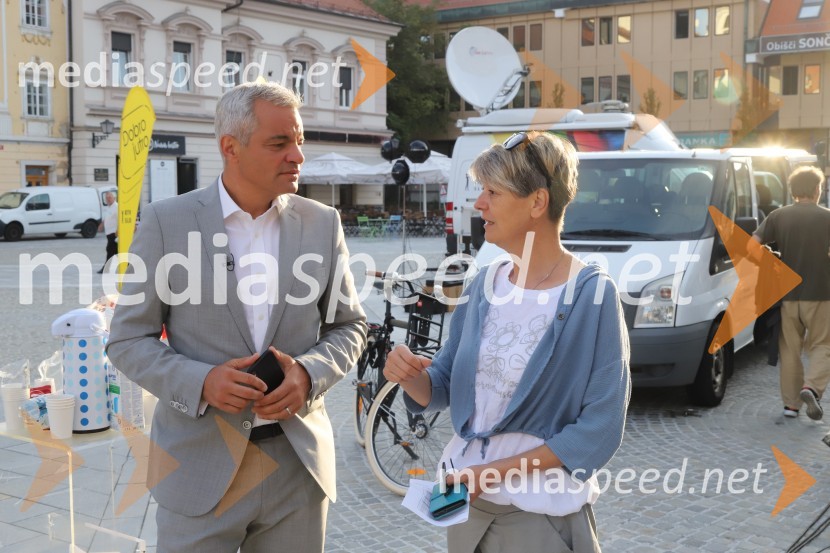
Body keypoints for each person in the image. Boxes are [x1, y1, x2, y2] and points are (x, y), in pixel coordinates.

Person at [106, 81, 367, 552]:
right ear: (231, 147)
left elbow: (349, 325)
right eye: (279, 143)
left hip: (297, 470)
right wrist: (200, 381)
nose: (297, 156)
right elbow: (127, 340)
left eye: (299, 141)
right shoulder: (167, 222)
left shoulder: (322, 223)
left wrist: (309, 373)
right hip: (198, 471)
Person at [384, 131, 631, 553]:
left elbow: (601, 427)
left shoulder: (591, 294)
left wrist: (495, 471)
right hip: (466, 514)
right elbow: (442, 384)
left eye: (492, 192)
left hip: (540, 522)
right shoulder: (485, 283)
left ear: (537, 202)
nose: (479, 204)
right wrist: (409, 376)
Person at [753, 166, 830, 420]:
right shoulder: (827, 217)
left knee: (789, 350)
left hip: (787, 296)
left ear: (793, 189)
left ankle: (791, 406)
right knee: (822, 346)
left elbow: (752, 246)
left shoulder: (778, 216)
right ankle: (812, 388)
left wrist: (772, 259)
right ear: (818, 189)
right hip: (821, 293)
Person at [97, 191, 118, 273]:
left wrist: (118, 231)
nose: (108, 199)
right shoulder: (109, 207)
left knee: (110, 250)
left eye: (110, 197)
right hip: (109, 233)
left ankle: (106, 268)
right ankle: (128, 267)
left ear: (114, 198)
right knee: (115, 251)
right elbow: (107, 218)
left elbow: (120, 220)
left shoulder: (117, 207)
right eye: (107, 198)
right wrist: (101, 225)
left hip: (114, 233)